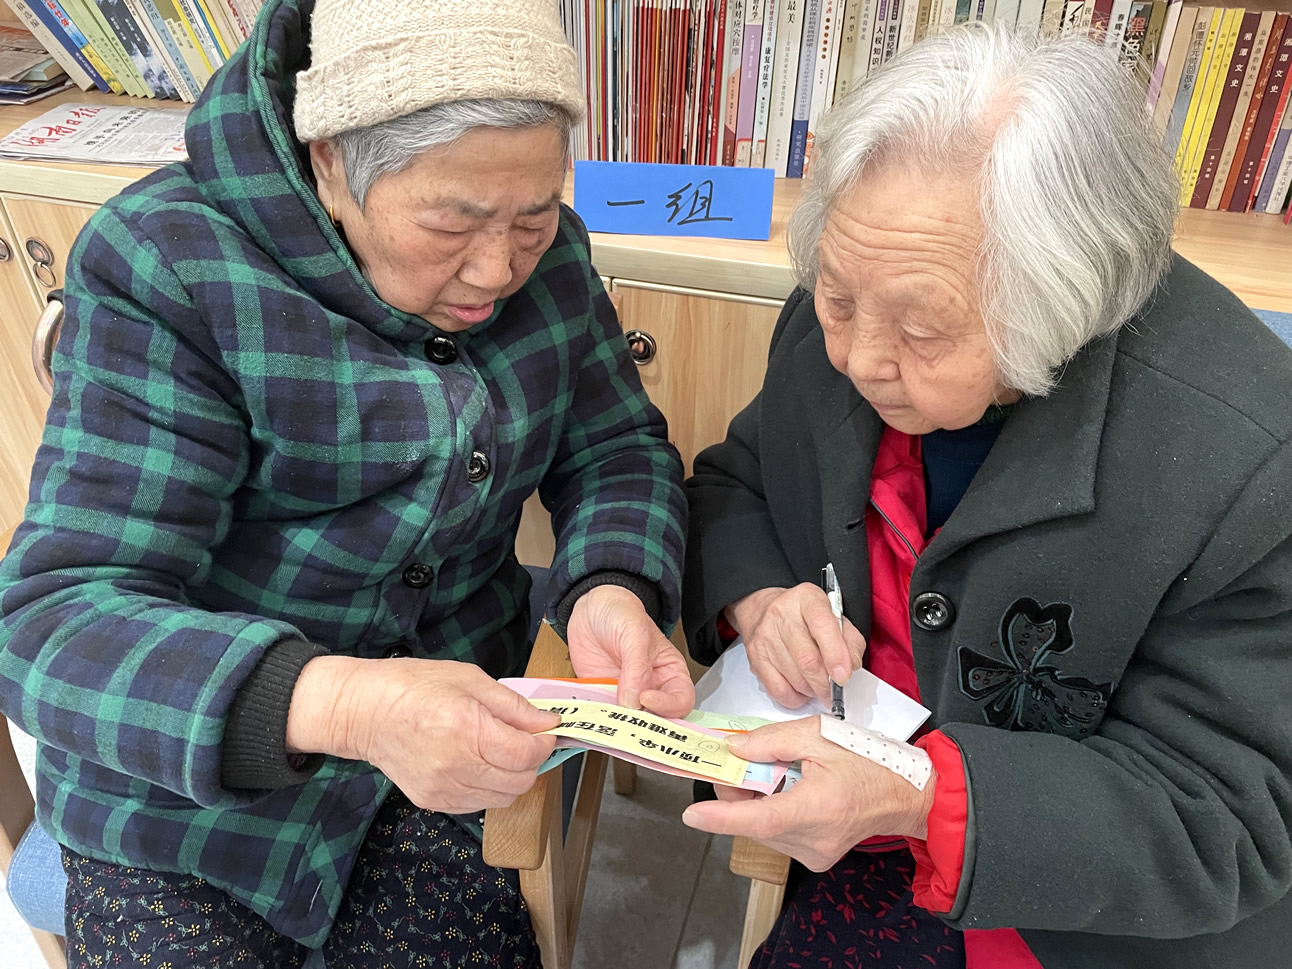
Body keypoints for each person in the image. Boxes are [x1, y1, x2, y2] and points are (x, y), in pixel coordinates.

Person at [0, 0, 693, 965]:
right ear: (330, 161)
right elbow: (53, 622)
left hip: (447, 736)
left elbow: (617, 450)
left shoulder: (557, 262)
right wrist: (353, 707)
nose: (498, 268)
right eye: (451, 223)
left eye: (533, 216)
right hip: (186, 784)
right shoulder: (170, 264)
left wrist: (611, 584)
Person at [680, 24, 1292, 969]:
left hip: (1079, 915)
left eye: (923, 331)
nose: (859, 357)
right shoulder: (857, 296)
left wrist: (924, 795)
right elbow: (739, 481)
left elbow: (1232, 809)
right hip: (860, 845)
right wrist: (761, 602)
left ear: (1063, 305)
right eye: (837, 298)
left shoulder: (1245, 457)